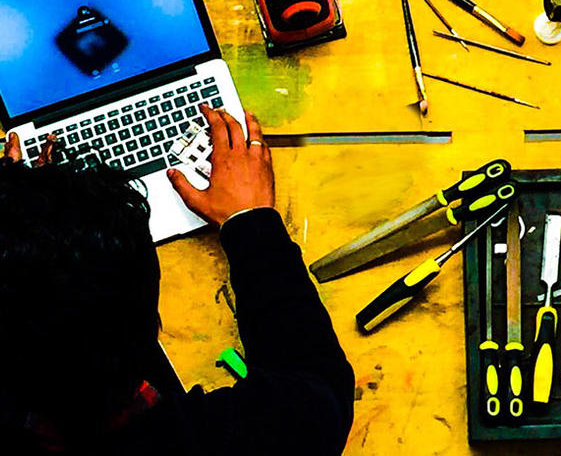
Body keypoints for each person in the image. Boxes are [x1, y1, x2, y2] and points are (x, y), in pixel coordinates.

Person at [0, 105, 354, 455]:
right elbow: (321, 391)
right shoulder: (235, 439)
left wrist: (23, 210)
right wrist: (250, 221)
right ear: (154, 320)